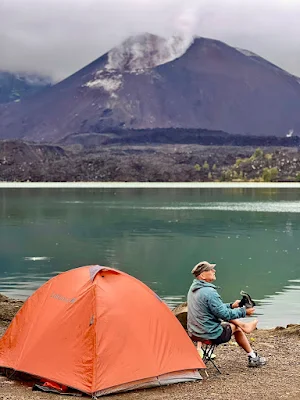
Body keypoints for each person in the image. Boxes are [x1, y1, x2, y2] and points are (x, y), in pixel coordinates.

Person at [187, 261, 266, 367]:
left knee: (226, 319)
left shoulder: (194, 289)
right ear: (202, 275)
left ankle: (244, 326)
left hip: (195, 333)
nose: (214, 271)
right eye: (210, 269)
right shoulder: (209, 292)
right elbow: (224, 315)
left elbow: (214, 309)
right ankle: (253, 357)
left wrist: (231, 306)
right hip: (209, 335)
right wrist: (244, 312)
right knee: (236, 328)